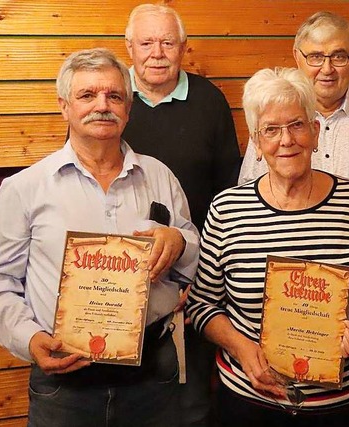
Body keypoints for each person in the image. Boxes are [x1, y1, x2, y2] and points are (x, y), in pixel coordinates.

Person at [0, 48, 200, 427]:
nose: (102, 105)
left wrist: (179, 242)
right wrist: (30, 339)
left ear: (128, 108)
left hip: (155, 376)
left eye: (114, 96)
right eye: (87, 96)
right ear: (64, 106)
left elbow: (195, 254)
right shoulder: (24, 188)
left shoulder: (160, 176)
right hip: (64, 382)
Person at [186, 67, 349, 427]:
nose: (286, 140)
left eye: (297, 125)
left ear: (315, 132)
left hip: (346, 406)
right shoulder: (227, 210)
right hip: (250, 404)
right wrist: (241, 348)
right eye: (271, 129)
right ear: (256, 140)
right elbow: (202, 304)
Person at [123, 5, 240, 426]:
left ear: (184, 48)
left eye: (167, 42)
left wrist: (201, 277)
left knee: (192, 406)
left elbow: (230, 194)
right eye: (147, 43)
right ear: (129, 48)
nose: (157, 53)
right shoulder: (111, 100)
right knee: (126, 404)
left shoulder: (210, 101)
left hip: (197, 280)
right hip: (120, 283)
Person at [238, 11, 349, 191]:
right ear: (297, 57)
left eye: (339, 56)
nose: (327, 69)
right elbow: (248, 187)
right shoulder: (272, 113)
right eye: (315, 57)